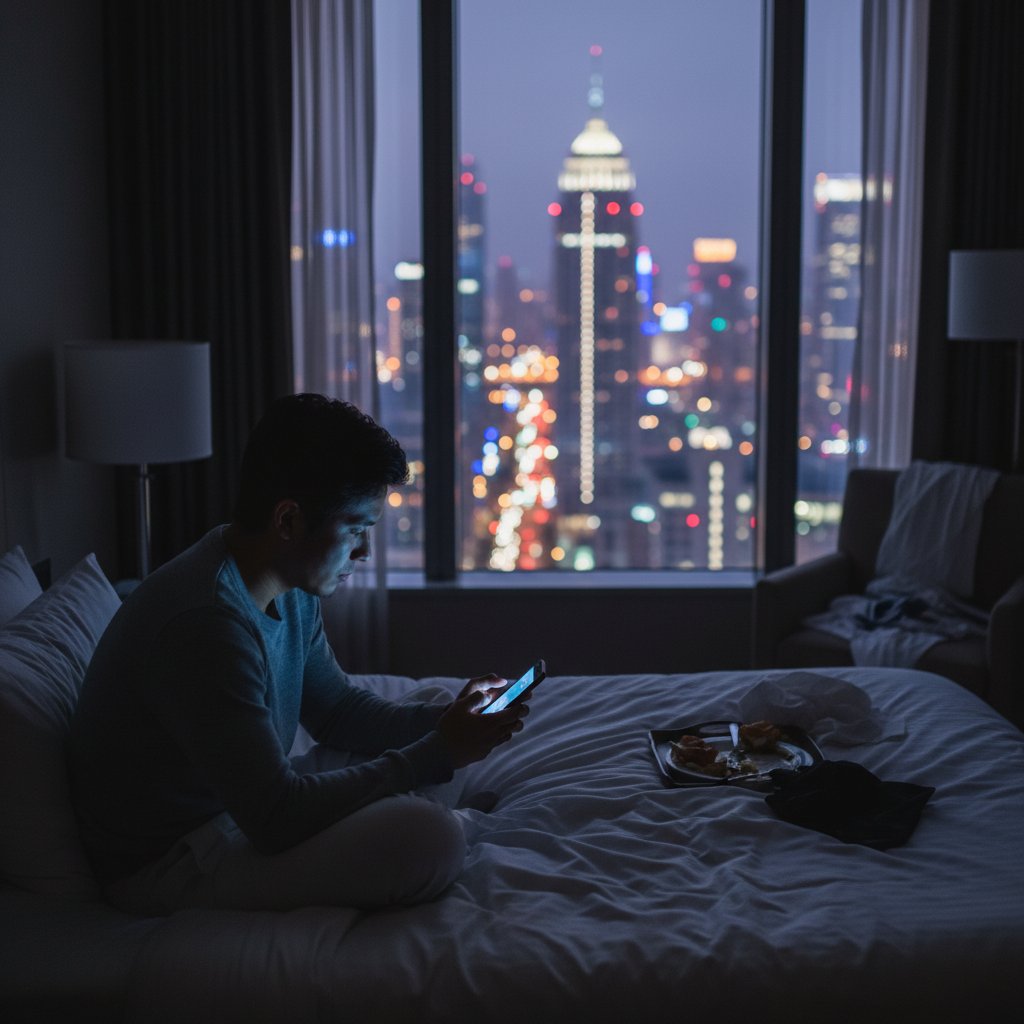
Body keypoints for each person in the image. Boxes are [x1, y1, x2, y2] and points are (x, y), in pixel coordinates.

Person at [69, 394, 529, 915]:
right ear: (288, 520)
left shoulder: (283, 581)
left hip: (242, 807)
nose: (364, 553)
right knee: (431, 839)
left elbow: (336, 711)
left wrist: (447, 725)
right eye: (356, 530)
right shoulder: (206, 625)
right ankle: (438, 819)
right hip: (174, 860)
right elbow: (275, 818)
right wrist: (439, 752)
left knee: (433, 702)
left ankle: (422, 793)